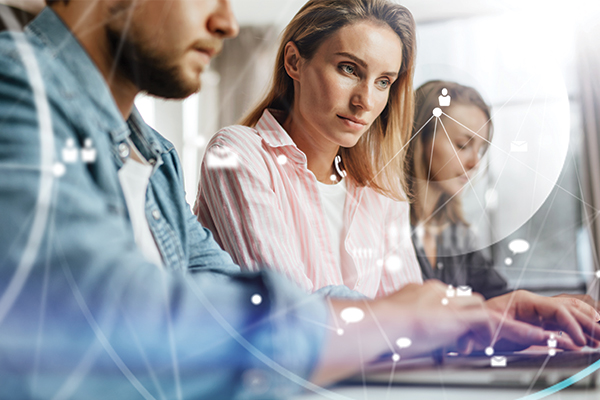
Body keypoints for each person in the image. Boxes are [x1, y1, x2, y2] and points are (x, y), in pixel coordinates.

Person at [0, 0, 598, 398]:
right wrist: (413, 316)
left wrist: (474, 315)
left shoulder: (153, 154)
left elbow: (242, 299)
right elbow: (118, 308)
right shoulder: (16, 85)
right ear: (295, 63)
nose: (227, 21)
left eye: (385, 82)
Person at [196, 0, 422, 298]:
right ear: (294, 61)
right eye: (349, 69)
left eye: (383, 82)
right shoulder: (238, 154)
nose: (365, 101)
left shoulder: (381, 190)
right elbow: (290, 310)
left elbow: (412, 319)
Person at [406, 80, 510, 299]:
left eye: (480, 150)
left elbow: (498, 296)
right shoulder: (383, 224)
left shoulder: (457, 232)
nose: (475, 163)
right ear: (420, 138)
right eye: (463, 145)